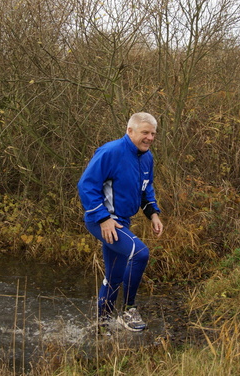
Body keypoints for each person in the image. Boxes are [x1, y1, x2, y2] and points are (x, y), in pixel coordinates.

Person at [77, 112, 163, 332]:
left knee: (114, 276)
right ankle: (128, 310)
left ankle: (101, 327)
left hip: (122, 221)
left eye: (153, 133)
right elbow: (86, 185)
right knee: (140, 253)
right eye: (145, 132)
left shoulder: (147, 157)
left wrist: (153, 213)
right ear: (130, 131)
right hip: (102, 220)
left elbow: (146, 189)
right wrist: (103, 218)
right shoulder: (111, 152)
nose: (150, 138)